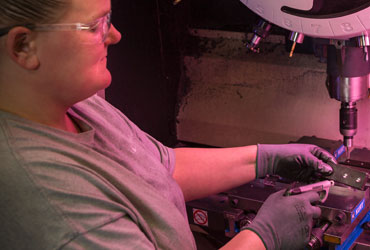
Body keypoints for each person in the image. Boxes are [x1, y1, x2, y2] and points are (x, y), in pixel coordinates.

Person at [0, 0, 335, 249]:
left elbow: (159, 169)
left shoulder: (75, 105)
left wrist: (264, 159)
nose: (115, 35)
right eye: (95, 26)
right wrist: (264, 238)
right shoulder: (49, 198)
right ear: (23, 46)